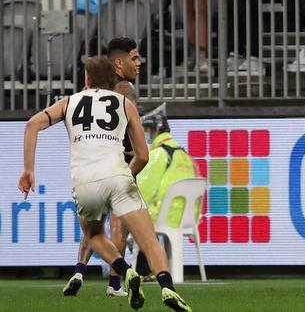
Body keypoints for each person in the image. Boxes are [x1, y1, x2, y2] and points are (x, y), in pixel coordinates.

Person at [18, 57, 192, 311]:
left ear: (86, 80)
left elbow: (32, 124)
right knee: (149, 240)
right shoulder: (125, 104)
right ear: (113, 81)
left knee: (95, 235)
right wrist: (127, 176)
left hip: (85, 181)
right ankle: (167, 287)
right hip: (118, 176)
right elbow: (142, 155)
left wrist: (28, 169)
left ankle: (125, 271)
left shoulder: (68, 102)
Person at [63, 37, 142, 297]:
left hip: (90, 165)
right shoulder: (124, 90)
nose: (138, 63)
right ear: (119, 62)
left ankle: (78, 271)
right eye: (134, 58)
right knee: (120, 225)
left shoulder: (90, 93)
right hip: (118, 161)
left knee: (94, 225)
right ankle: (115, 284)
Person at [134, 109, 198, 277]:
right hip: (187, 217)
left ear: (154, 130)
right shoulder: (184, 154)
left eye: (146, 131)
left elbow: (143, 191)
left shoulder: (157, 154)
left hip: (163, 214)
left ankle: (144, 271)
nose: (145, 135)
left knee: (134, 215)